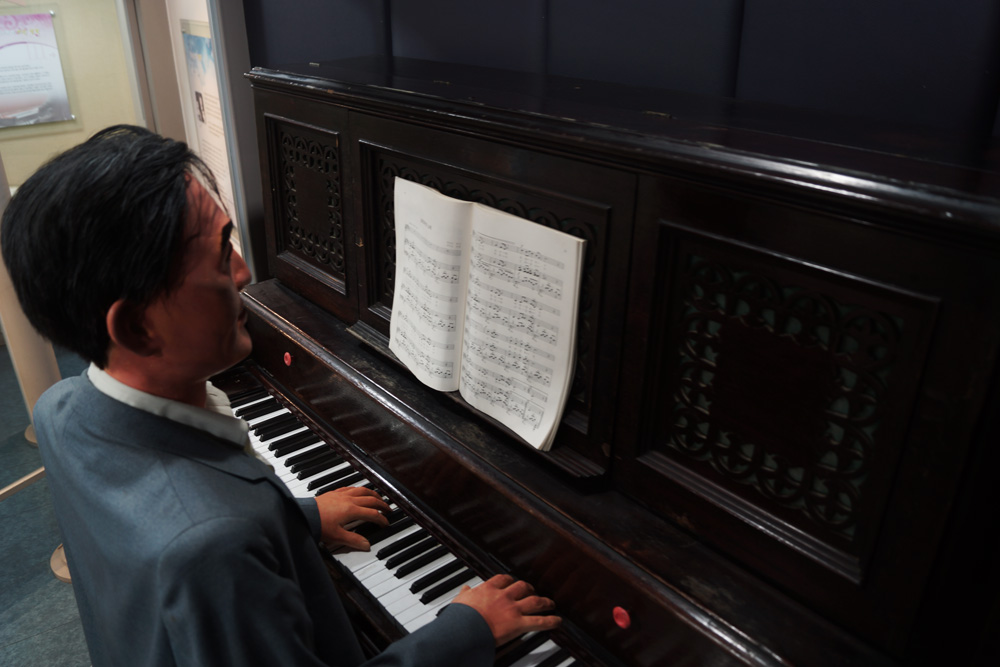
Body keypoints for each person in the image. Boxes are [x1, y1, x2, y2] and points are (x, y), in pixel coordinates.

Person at [1, 125, 560, 666]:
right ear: (137, 328)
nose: (244, 271)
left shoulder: (60, 410)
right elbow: (204, 542)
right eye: (219, 255)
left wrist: (294, 519)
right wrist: (466, 630)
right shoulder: (216, 549)